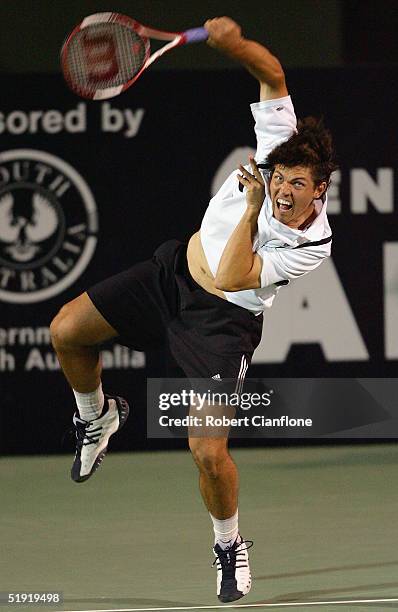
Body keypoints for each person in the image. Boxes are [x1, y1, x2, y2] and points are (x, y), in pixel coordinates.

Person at [50, 17, 337, 603]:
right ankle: (97, 415)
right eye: (279, 177)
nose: (284, 189)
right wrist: (236, 47)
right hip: (172, 273)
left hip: (222, 323)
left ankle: (228, 544)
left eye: (297, 185)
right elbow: (272, 72)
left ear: (319, 192)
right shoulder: (274, 148)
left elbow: (235, 276)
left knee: (208, 452)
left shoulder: (312, 244)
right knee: (67, 331)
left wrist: (255, 202)